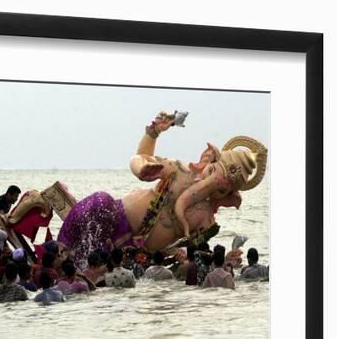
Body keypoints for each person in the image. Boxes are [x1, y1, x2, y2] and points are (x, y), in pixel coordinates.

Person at [57, 111, 267, 269]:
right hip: (113, 216)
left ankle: (82, 268)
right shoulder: (179, 171)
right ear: (208, 159)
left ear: (229, 196)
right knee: (101, 200)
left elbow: (193, 252)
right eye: (211, 172)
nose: (209, 185)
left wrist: (222, 261)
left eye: (220, 188)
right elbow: (140, 158)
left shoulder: (206, 220)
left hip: (136, 255)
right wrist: (150, 144)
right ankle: (60, 252)